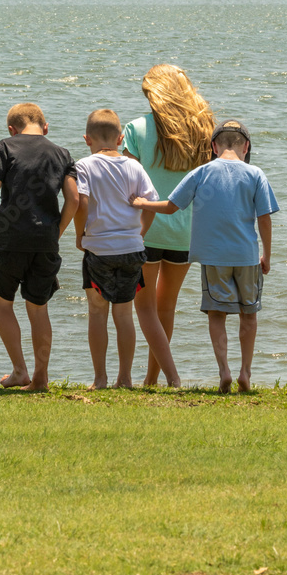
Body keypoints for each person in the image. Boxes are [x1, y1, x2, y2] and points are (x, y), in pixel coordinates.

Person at [131, 120, 278, 394]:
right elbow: (265, 218)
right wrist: (266, 255)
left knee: (217, 314)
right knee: (249, 315)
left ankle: (224, 370)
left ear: (213, 146)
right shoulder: (256, 174)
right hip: (246, 256)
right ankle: (245, 371)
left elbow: (172, 206)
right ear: (246, 146)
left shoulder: (201, 173)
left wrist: (142, 203)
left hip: (214, 258)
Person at [74, 109, 182, 390]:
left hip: (98, 249)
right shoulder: (134, 167)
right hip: (131, 249)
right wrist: (140, 233)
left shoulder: (84, 165)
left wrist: (79, 234)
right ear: (121, 138)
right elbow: (151, 203)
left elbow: (81, 202)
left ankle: (100, 378)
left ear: (87, 139)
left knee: (97, 313)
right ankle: (125, 378)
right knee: (124, 315)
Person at [123, 64, 214, 386]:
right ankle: (151, 379)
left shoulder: (135, 128)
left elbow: (128, 184)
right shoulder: (205, 131)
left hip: (145, 229)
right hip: (187, 230)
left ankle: (169, 377)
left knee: (144, 307)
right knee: (167, 307)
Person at [0, 102, 79, 391]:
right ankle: (41, 378)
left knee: (1, 303)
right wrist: (57, 232)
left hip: (8, 237)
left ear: (12, 129)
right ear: (45, 127)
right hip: (45, 240)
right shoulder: (62, 154)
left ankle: (19, 370)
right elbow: (74, 200)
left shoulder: (4, 147)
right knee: (39, 308)